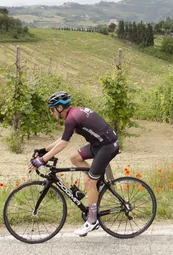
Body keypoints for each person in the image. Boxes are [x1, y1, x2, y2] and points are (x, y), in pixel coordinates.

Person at [29, 91, 119, 237]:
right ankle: (99, 183)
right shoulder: (73, 114)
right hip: (99, 144)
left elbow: (63, 144)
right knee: (75, 158)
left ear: (59, 108)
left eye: (52, 109)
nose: (51, 113)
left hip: (107, 146)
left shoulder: (71, 118)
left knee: (89, 182)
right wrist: (44, 150)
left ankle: (92, 220)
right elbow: (62, 138)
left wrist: (42, 160)